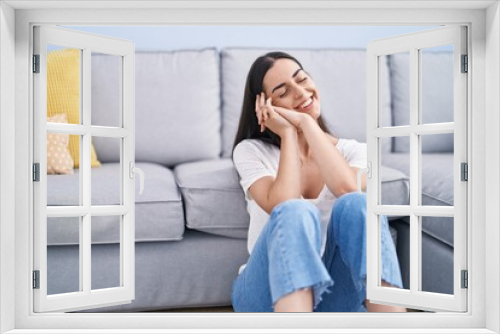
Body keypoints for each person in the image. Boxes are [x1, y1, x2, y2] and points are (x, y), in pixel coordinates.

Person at [230, 51, 406, 313]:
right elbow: (285, 204)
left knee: (359, 203)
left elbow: (347, 189)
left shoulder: (357, 151)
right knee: (295, 210)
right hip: (266, 293)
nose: (300, 93)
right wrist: (289, 134)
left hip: (335, 295)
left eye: (302, 79)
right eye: (283, 92)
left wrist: (307, 125)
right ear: (266, 107)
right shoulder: (251, 151)